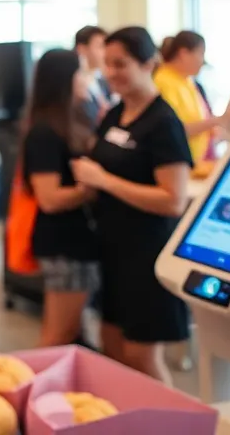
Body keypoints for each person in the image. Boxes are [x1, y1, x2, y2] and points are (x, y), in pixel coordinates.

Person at [71, 27, 191, 382]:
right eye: (107, 64)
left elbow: (173, 200)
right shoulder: (114, 113)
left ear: (149, 64)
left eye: (120, 64)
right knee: (112, 344)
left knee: (141, 354)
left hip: (148, 252)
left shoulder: (164, 123)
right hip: (112, 248)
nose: (111, 73)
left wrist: (104, 181)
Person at [24, 49, 98, 348]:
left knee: (71, 334)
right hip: (63, 243)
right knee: (59, 335)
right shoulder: (44, 131)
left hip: (74, 240)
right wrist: (91, 189)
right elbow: (50, 198)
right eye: (79, 73)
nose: (85, 80)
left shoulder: (72, 120)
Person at [154, 31, 224, 163]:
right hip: (179, 164)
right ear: (184, 53)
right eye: (200, 53)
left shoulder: (186, 80)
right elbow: (176, 131)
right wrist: (218, 120)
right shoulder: (163, 81)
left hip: (196, 161)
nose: (202, 61)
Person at [74, 25, 113, 126]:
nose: (105, 52)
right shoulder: (74, 83)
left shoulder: (102, 79)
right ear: (82, 49)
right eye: (100, 46)